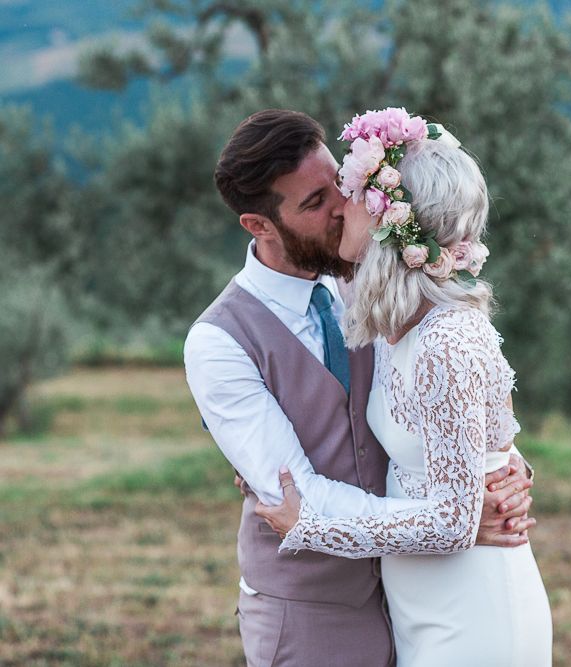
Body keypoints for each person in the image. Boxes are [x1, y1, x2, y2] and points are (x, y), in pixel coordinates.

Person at [184, 108, 536, 667]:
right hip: (314, 613)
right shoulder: (218, 343)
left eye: (339, 186)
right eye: (313, 203)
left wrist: (499, 471)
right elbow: (292, 496)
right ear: (259, 225)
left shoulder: (379, 288)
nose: (344, 207)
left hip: (424, 597)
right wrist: (457, 522)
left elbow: (458, 399)